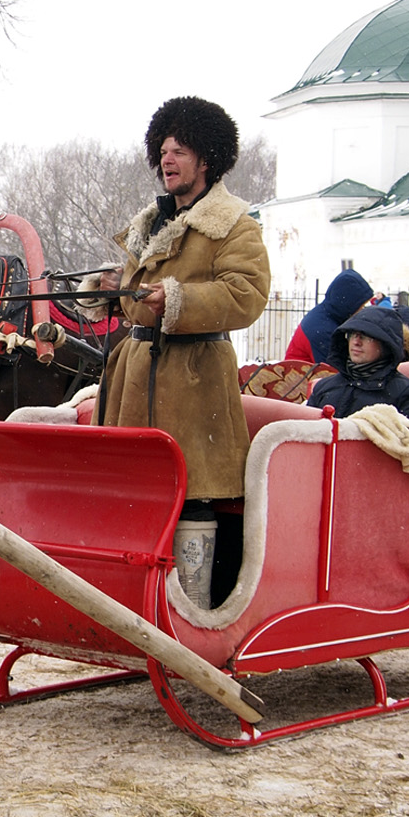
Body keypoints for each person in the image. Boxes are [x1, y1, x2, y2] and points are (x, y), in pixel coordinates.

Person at [98, 96, 271, 609]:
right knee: (135, 489)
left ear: (207, 159)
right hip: (134, 374)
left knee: (193, 491)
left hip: (194, 380)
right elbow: (133, 295)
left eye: (181, 150)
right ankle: (138, 603)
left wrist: (175, 299)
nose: (167, 159)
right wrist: (113, 286)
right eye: (164, 149)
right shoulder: (150, 222)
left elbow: (246, 295)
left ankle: (193, 611)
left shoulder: (233, 224)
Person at [306, 305, 409, 420]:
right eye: (352, 334)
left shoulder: (406, 394)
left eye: (366, 336)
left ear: (386, 345)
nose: (356, 342)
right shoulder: (324, 387)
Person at [283, 268, 374, 366]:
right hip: (300, 379)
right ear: (349, 304)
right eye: (361, 307)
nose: (362, 311)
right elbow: (335, 374)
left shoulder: (326, 316)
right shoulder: (323, 330)